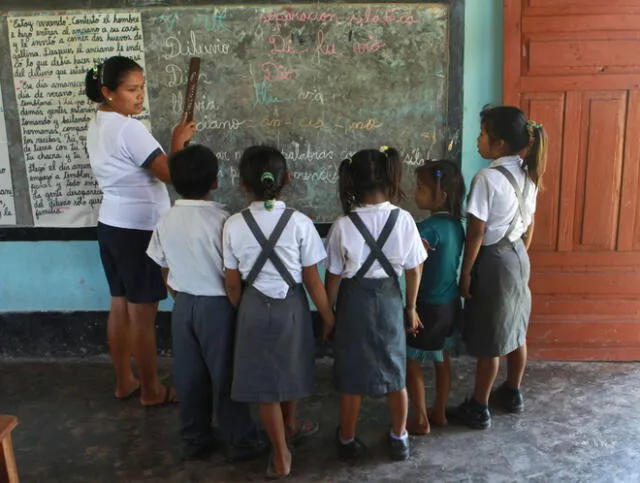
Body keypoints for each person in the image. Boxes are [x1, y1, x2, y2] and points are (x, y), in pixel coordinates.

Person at [146, 145, 268, 462]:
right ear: (215, 182)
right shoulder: (224, 220)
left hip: (183, 305)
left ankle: (195, 436)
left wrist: (178, 294)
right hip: (220, 306)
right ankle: (242, 439)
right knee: (226, 374)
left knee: (188, 375)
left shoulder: (166, 219)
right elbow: (234, 271)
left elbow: (163, 265)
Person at [85, 55, 195, 406]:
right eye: (132, 89)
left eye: (142, 87)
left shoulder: (99, 121)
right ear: (108, 92)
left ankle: (125, 382)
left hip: (112, 226)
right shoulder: (129, 128)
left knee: (120, 305)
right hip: (139, 231)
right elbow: (172, 175)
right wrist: (178, 142)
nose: (140, 96)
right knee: (143, 315)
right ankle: (150, 390)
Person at [223, 146, 335, 479]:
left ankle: (281, 445)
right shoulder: (300, 223)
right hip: (293, 308)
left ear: (243, 185)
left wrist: (241, 310)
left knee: (264, 382)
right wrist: (328, 317)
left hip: (253, 306)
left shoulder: (233, 225)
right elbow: (313, 281)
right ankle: (287, 431)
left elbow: (232, 283)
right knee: (288, 369)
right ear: (287, 179)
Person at [324, 146, 427, 462]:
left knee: (352, 375)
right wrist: (411, 308)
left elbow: (334, 278)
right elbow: (414, 269)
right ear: (389, 177)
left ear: (352, 182)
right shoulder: (404, 219)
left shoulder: (343, 225)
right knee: (396, 370)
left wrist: (329, 316)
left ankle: (346, 438)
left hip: (354, 306)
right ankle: (399, 438)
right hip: (389, 304)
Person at [455, 105, 547, 429]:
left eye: (482, 135)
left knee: (492, 339)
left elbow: (477, 232)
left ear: (500, 145)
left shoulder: (487, 178)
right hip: (519, 257)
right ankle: (512, 392)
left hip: (493, 261)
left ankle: (479, 406)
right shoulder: (529, 174)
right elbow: (530, 225)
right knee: (516, 329)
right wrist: (519, 254)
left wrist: (466, 272)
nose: (478, 141)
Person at [405, 161, 465, 435]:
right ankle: (439, 411)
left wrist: (411, 306)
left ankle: (419, 419)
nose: (415, 192)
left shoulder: (427, 229)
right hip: (450, 304)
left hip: (427, 306)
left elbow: (416, 268)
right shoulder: (456, 225)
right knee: (442, 359)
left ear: (440, 195)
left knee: (411, 362)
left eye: (420, 188)